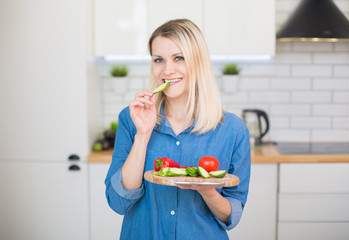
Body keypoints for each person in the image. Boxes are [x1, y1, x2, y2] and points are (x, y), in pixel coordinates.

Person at [105, 19, 251, 240]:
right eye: (158, 60)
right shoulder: (130, 119)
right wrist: (143, 135)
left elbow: (231, 216)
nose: (167, 70)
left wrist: (207, 190)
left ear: (198, 62)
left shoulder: (233, 130)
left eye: (179, 58)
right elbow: (118, 203)